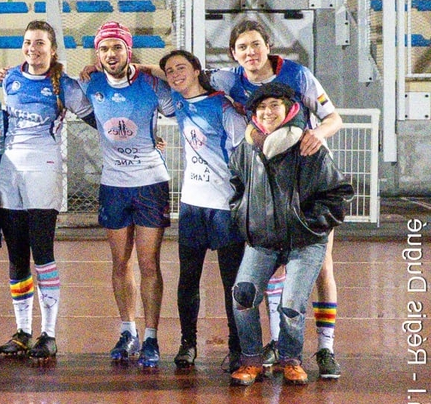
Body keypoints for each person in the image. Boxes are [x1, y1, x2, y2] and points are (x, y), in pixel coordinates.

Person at [210, 19, 345, 379]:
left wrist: (316, 135)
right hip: (267, 179)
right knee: (268, 271)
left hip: (306, 175)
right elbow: (183, 73)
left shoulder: (297, 75)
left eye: (255, 44)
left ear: (268, 46)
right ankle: (275, 346)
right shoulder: (230, 79)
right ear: (233, 54)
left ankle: (325, 348)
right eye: (242, 47)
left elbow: (334, 118)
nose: (250, 52)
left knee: (321, 267)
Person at [227, 82, 353, 387]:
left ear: (290, 109)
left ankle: (290, 360)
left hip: (305, 241)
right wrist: (244, 216)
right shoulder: (247, 148)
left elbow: (338, 193)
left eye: (274, 105)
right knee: (242, 296)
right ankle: (251, 359)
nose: (267, 112)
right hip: (263, 240)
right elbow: (237, 184)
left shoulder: (309, 145)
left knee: (292, 304)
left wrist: (308, 224)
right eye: (261, 107)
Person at [0, 21, 96, 361]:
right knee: (17, 255)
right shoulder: (10, 78)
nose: (32, 48)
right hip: (9, 171)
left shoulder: (65, 86)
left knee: (43, 251)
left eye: (39, 43)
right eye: (28, 42)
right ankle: (22, 331)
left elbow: (96, 118)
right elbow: (5, 121)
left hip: (43, 169)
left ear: (52, 49)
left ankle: (48, 334)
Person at [80, 21, 176, 368]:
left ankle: (151, 337)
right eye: (104, 48)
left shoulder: (151, 84)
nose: (111, 54)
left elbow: (181, 100)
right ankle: (128, 330)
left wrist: (155, 69)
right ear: (97, 53)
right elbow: (67, 96)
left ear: (128, 51)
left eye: (117, 47)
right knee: (119, 263)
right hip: (114, 185)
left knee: (149, 264)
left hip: (150, 183)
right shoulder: (90, 83)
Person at [159, 49, 246, 371]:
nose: (175, 75)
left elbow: (247, 145)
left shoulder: (222, 107)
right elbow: (152, 74)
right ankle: (188, 343)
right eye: (170, 71)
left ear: (197, 70)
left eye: (181, 68)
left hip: (223, 207)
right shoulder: (178, 101)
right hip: (192, 206)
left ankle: (237, 346)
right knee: (188, 279)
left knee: (231, 283)